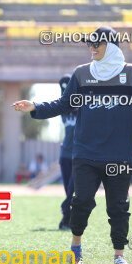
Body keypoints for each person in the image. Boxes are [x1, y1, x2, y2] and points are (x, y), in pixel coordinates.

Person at [13, 26, 132, 264]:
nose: (91, 48)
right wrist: (35, 106)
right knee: (80, 202)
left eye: (96, 44)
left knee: (119, 207)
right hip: (85, 154)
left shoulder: (131, 73)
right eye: (89, 44)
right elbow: (64, 104)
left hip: (119, 156)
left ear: (111, 46)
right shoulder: (81, 74)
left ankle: (118, 256)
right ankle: (76, 248)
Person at [58, 74, 77, 230]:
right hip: (65, 155)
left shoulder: (84, 105)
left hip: (79, 156)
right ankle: (67, 220)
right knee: (68, 191)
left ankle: (66, 214)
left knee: (72, 190)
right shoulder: (63, 106)